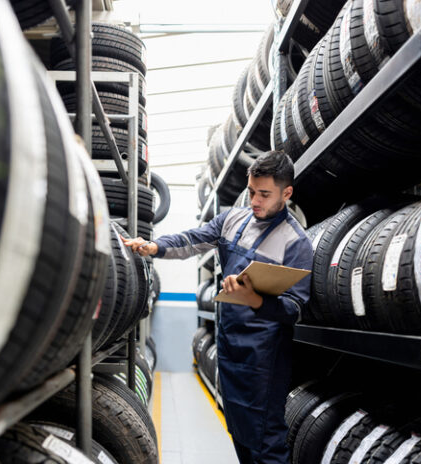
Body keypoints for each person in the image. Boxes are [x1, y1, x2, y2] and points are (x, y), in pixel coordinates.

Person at [122, 151, 313, 464]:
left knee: (265, 440)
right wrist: (156, 247)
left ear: (286, 193)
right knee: (238, 431)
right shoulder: (234, 220)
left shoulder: (296, 242)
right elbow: (195, 239)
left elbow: (295, 309)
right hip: (229, 345)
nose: (255, 201)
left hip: (263, 356)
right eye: (252, 192)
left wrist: (256, 301)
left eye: (264, 194)